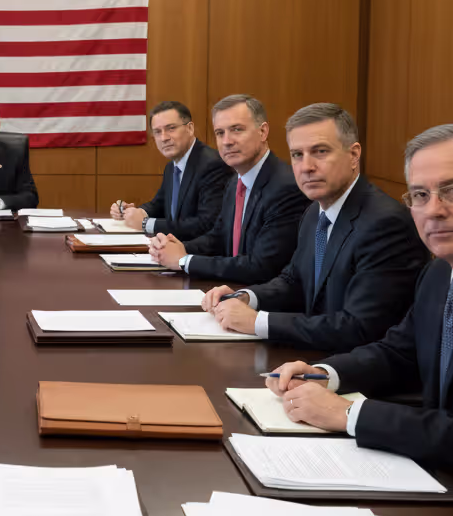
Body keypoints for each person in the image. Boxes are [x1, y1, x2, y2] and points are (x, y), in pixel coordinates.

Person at [266, 125, 453, 512]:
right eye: (421, 195)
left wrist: (349, 414)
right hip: (444, 473)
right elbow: (401, 351)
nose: (434, 210)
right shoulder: (442, 270)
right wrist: (326, 373)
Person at [200, 104, 427, 350]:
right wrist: (247, 297)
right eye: (297, 154)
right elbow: (293, 280)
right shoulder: (314, 211)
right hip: (312, 357)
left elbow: (360, 327)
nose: (306, 167)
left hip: (358, 374)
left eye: (320, 151)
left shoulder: (385, 224)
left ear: (353, 155)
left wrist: (258, 322)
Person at [148, 94, 309, 283]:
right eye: (220, 133)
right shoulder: (235, 182)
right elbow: (217, 238)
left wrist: (184, 260)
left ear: (263, 132)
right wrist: (174, 247)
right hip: (230, 293)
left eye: (237, 130)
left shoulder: (286, 188)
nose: (226, 141)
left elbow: (261, 267)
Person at [109, 100, 231, 238]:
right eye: (157, 132)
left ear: (190, 128)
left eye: (171, 128)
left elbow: (206, 224)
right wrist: (133, 212)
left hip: (198, 254)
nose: (164, 138)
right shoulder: (171, 167)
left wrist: (145, 224)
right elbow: (158, 205)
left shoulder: (213, 165)